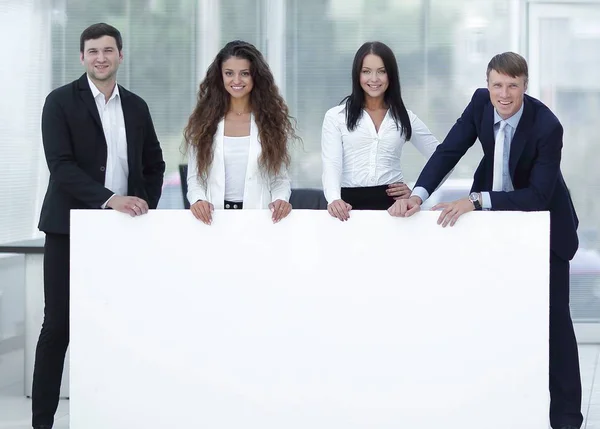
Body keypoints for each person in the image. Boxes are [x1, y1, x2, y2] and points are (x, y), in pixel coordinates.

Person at [390, 52, 582, 429]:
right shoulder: (480, 103)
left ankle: (566, 421)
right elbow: (449, 151)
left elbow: (539, 196)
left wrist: (476, 200)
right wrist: (418, 194)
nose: (504, 95)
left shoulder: (547, 126)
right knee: (491, 313)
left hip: (545, 229)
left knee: (554, 325)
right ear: (488, 84)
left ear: (525, 85)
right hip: (493, 228)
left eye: (513, 86)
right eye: (497, 85)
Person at [33, 23, 165, 428]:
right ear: (82, 57)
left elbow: (153, 163)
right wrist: (110, 199)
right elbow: (61, 166)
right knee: (58, 325)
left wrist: (144, 206)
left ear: (120, 55)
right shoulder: (59, 102)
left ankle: (114, 413)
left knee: (119, 322)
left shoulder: (137, 106)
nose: (101, 58)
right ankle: (42, 422)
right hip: (68, 229)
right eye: (93, 51)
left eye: (108, 50)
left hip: (125, 232)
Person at [321, 41, 439, 221]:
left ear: (390, 75)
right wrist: (334, 199)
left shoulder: (406, 117)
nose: (374, 79)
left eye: (381, 71)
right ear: (357, 74)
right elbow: (331, 164)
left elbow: (443, 159)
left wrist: (417, 192)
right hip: (346, 207)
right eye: (366, 71)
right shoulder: (336, 116)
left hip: (395, 209)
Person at [184, 40, 299, 224]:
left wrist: (280, 200)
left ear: (256, 77)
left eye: (244, 74)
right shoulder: (204, 122)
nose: (236, 81)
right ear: (220, 77)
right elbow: (195, 178)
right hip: (213, 220)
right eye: (229, 73)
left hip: (259, 219)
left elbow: (280, 179)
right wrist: (198, 200)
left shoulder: (271, 123)